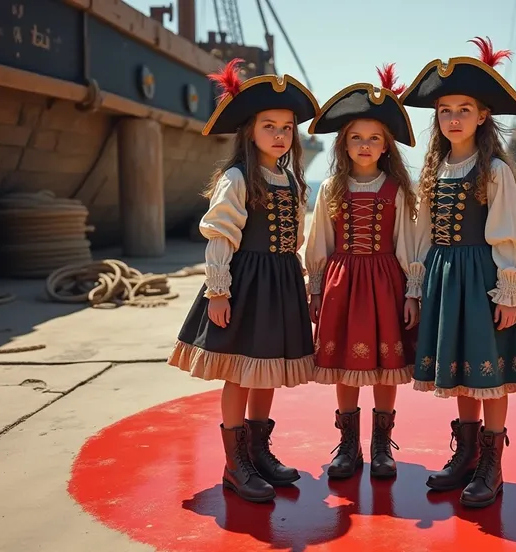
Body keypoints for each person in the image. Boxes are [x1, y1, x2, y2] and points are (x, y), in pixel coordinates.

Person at [400, 38, 516, 508]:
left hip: (482, 278)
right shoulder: (434, 167)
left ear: (482, 115)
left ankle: (492, 463)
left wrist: (508, 292)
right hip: (446, 277)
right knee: (462, 368)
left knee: (491, 371)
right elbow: (422, 233)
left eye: (463, 109)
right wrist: (417, 285)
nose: (453, 118)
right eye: (445, 110)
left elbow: (508, 233)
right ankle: (466, 453)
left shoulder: (493, 170)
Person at [167, 59, 320, 503]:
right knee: (238, 371)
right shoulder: (237, 178)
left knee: (267, 368)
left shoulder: (290, 178)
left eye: (287, 128)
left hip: (281, 281)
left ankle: (259, 453)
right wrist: (218, 290)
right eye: (268, 125)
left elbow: (295, 234)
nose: (279, 135)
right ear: (249, 131)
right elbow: (220, 235)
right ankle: (235, 464)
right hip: (246, 282)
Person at [305, 64, 423, 479]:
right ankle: (348, 443)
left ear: (387, 146)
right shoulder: (331, 189)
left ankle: (381, 445)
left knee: (385, 364)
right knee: (346, 365)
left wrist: (412, 291)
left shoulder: (397, 191)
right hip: (342, 284)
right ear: (344, 144)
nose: (365, 144)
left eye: (374, 138)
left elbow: (408, 244)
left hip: (385, 283)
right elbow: (318, 241)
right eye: (356, 137)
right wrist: (315, 289)